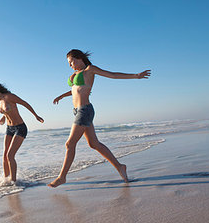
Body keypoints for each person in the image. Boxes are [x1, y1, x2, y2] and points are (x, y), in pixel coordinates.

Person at [48, 49, 151, 187]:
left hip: (85, 111)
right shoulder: (75, 74)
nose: (70, 65)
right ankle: (120, 167)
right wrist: (62, 96)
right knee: (94, 144)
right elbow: (75, 90)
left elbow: (113, 75)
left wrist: (136, 75)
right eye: (68, 63)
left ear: (79, 58)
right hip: (77, 111)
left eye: (71, 61)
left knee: (69, 144)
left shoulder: (90, 70)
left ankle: (62, 177)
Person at [0, 81, 44, 182]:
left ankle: (14, 182)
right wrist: (3, 117)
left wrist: (36, 115)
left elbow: (25, 103)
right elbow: (7, 110)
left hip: (20, 128)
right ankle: (6, 180)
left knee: (10, 155)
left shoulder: (9, 97)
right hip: (9, 128)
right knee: (5, 156)